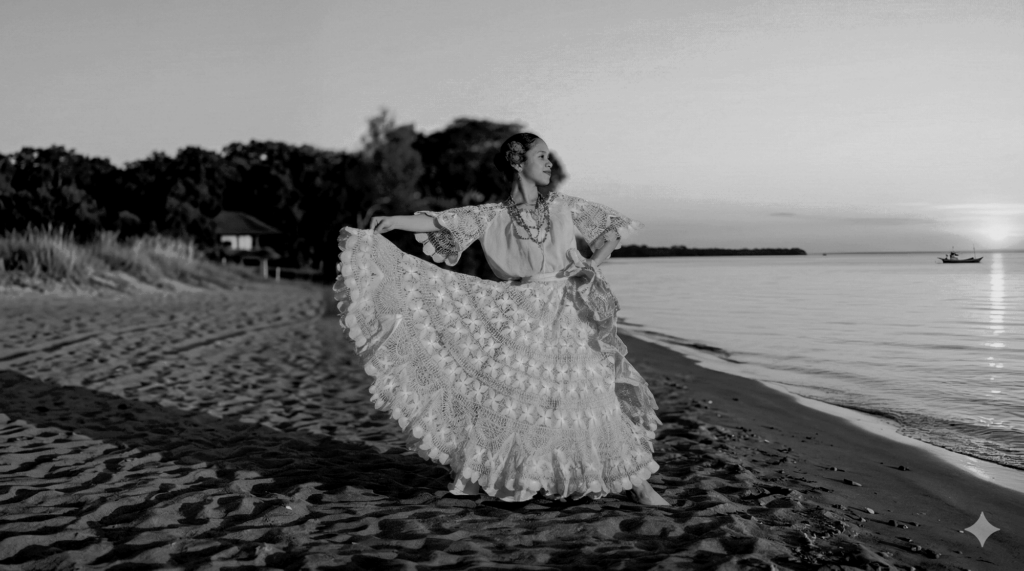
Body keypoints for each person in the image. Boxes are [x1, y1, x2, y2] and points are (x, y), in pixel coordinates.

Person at [334, 133, 668, 506]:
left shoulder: (562, 206)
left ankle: (639, 484)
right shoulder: (490, 216)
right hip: (519, 310)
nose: (549, 162)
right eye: (541, 156)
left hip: (569, 310)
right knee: (508, 396)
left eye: (548, 156)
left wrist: (590, 264)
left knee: (593, 393)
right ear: (517, 161)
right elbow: (442, 223)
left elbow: (611, 232)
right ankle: (492, 474)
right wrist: (393, 221)